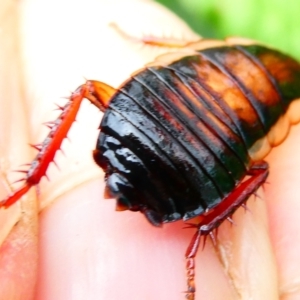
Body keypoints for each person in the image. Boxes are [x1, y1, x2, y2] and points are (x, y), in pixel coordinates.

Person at [0, 0, 300, 299]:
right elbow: (257, 166)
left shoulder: (219, 48)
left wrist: (138, 39)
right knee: (259, 170)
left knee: (89, 90)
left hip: (147, 129)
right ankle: (199, 236)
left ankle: (30, 181)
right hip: (190, 167)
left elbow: (184, 46)